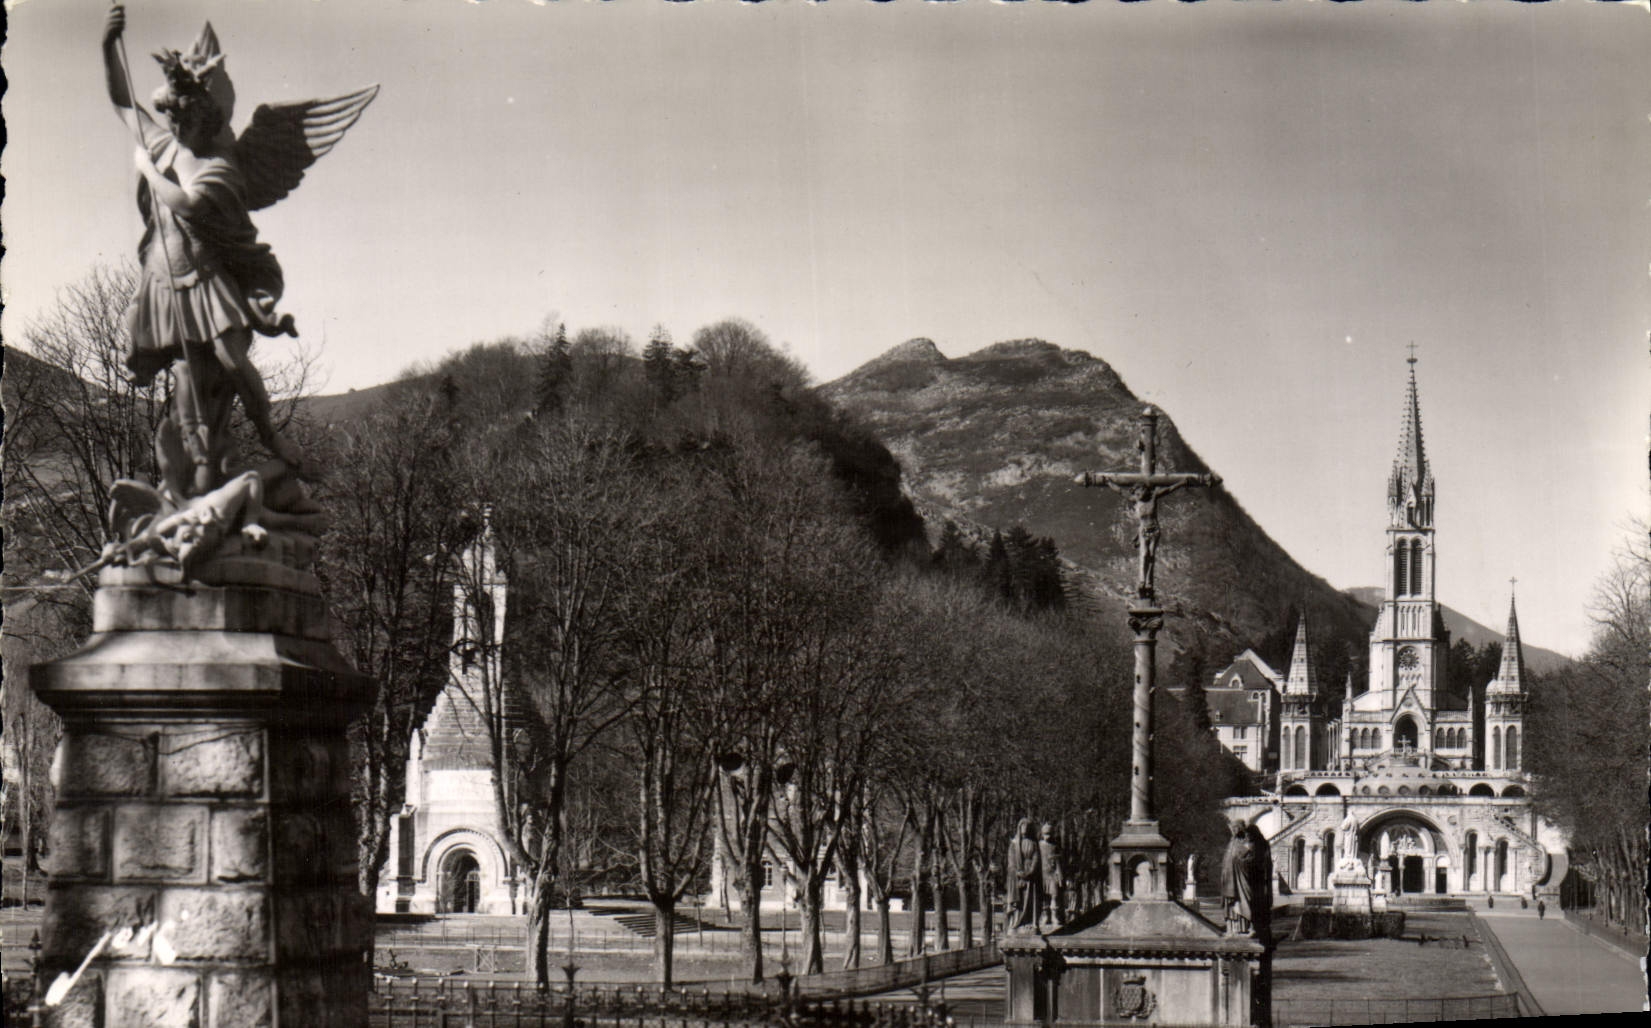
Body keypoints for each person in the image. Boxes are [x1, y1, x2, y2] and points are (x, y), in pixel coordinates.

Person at [1006, 819, 1041, 932]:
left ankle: (1029, 922)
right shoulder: (1014, 844)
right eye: (1022, 827)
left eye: (1027, 827)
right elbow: (1011, 861)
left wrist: (1030, 872)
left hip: (1030, 876)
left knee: (1030, 899)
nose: (1024, 830)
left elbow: (1036, 858)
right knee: (1018, 901)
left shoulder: (1034, 843)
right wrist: (1017, 872)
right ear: (1019, 828)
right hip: (1017, 876)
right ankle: (1016, 922)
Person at [1038, 823, 1064, 925]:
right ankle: (1045, 916)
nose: (1047, 836)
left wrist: (1059, 874)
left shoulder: (1055, 846)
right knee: (1044, 896)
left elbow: (1058, 862)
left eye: (1049, 834)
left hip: (1052, 874)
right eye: (1045, 834)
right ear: (1042, 834)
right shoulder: (1039, 845)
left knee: (1054, 895)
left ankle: (1054, 916)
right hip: (1042, 874)